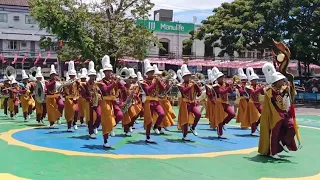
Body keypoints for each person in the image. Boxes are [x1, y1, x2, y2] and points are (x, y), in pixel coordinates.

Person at [259, 62, 299, 159]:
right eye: (281, 80)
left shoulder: (283, 88)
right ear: (276, 82)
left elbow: (290, 98)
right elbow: (277, 100)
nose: (283, 82)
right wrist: (284, 93)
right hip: (275, 115)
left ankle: (283, 142)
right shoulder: (270, 90)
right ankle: (273, 152)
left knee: (292, 127)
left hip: (285, 113)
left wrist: (288, 90)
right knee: (275, 133)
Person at [98, 55, 125, 147]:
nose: (109, 73)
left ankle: (111, 127)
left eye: (110, 71)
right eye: (107, 71)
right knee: (106, 121)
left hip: (113, 101)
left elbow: (122, 87)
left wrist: (119, 81)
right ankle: (105, 141)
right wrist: (114, 82)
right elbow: (106, 89)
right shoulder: (100, 82)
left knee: (120, 115)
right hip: (105, 102)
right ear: (104, 72)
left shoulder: (113, 80)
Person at [140, 59, 165, 143]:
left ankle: (156, 126)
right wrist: (155, 82)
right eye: (149, 72)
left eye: (152, 72)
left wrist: (160, 82)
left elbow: (163, 89)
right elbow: (148, 90)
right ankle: (148, 136)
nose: (151, 73)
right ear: (146, 74)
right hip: (148, 102)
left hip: (156, 101)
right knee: (149, 120)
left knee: (162, 114)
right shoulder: (143, 82)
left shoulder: (155, 80)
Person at [177, 64, 202, 141]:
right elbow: (184, 91)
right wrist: (191, 85)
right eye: (186, 76)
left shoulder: (192, 83)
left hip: (192, 103)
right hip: (185, 104)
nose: (188, 77)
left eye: (189, 75)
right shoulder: (180, 85)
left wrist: (197, 86)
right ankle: (185, 136)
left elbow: (199, 93)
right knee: (185, 120)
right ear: (183, 77)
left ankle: (193, 127)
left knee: (198, 114)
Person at [211, 67, 235, 139]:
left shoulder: (225, 84)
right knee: (219, 119)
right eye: (220, 77)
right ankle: (220, 134)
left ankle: (224, 123)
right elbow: (221, 92)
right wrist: (228, 87)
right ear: (217, 79)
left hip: (226, 102)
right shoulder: (215, 86)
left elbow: (231, 92)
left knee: (232, 114)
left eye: (222, 77)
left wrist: (231, 86)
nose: (221, 78)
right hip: (219, 103)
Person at [80, 61, 102, 140]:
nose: (93, 77)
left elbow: (99, 92)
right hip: (89, 103)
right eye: (91, 75)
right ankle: (91, 132)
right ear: (89, 76)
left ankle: (95, 126)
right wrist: (88, 98)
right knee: (90, 118)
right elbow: (82, 94)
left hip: (96, 102)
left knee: (99, 115)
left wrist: (99, 95)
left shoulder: (96, 83)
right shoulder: (85, 84)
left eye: (94, 75)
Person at [61, 61, 80, 131]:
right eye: (71, 75)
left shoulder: (77, 82)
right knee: (69, 113)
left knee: (76, 111)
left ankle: (74, 123)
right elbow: (62, 91)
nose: (72, 77)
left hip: (75, 98)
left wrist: (78, 83)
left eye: (73, 75)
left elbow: (80, 88)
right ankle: (69, 126)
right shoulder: (66, 82)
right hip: (68, 99)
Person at [245, 67, 264, 135]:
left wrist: (263, 89)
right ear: (251, 80)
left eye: (256, 79)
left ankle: (256, 125)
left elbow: (262, 93)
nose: (256, 81)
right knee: (253, 117)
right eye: (254, 80)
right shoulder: (248, 86)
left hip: (258, 103)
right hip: (252, 103)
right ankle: (253, 131)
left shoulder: (258, 86)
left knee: (263, 114)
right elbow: (253, 93)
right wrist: (261, 88)